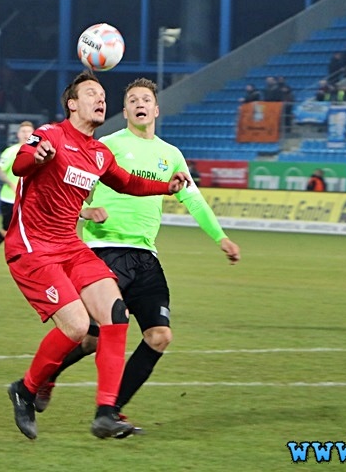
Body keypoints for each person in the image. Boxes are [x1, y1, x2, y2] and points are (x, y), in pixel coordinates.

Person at [32, 77, 240, 429]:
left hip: (145, 256)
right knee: (91, 338)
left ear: (156, 109)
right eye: (132, 99)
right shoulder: (106, 146)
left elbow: (192, 198)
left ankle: (110, 412)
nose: (140, 103)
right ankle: (42, 380)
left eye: (146, 98)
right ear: (125, 110)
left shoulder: (170, 154)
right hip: (103, 250)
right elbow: (70, 183)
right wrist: (84, 212)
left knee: (159, 336)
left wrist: (220, 238)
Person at [3, 70, 192, 440]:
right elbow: (20, 165)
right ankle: (25, 390)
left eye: (102, 94)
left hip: (69, 245)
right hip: (33, 246)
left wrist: (165, 187)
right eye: (91, 93)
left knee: (115, 313)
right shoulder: (51, 135)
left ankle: (107, 411)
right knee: (75, 327)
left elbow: (127, 182)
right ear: (72, 104)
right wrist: (35, 155)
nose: (100, 99)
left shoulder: (99, 152)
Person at [0, 120, 34, 269]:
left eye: (29, 132)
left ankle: (26, 262)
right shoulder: (11, 152)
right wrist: (11, 183)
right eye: (23, 132)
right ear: (18, 134)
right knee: (7, 232)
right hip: (9, 199)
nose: (26, 134)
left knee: (29, 231)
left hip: (28, 200)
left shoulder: (36, 152)